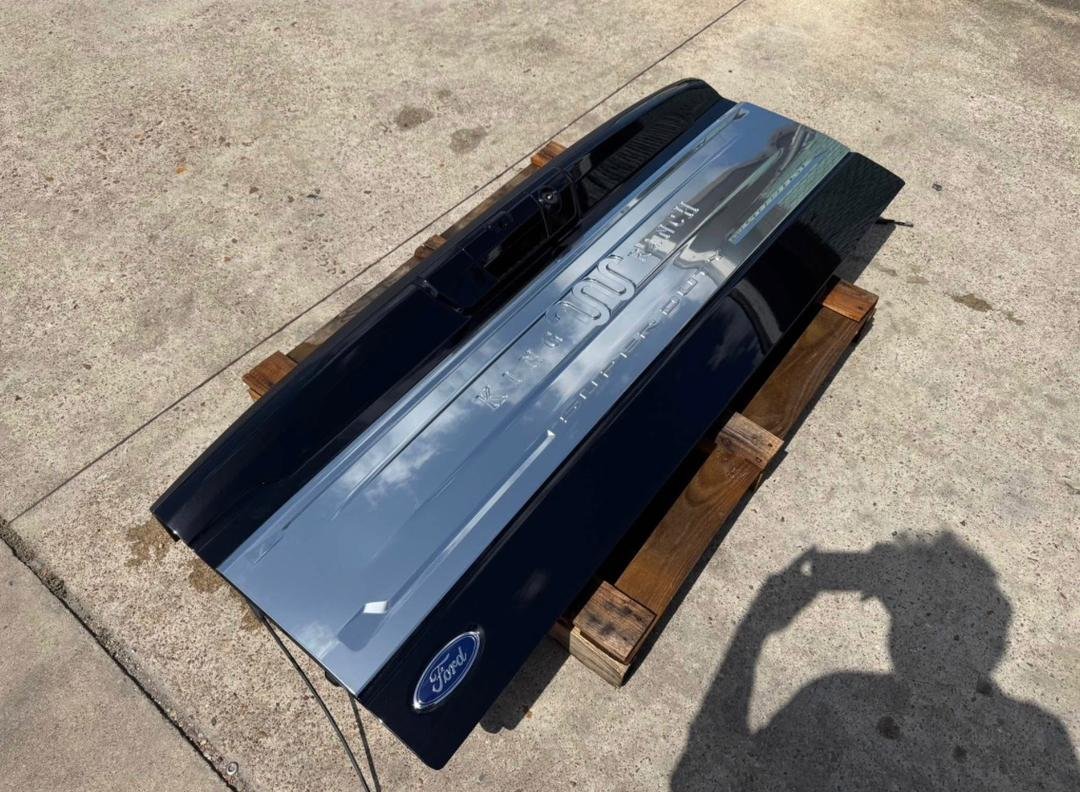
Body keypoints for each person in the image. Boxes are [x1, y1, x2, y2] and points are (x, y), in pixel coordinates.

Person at [671, 532, 1080, 791]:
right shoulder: (1042, 738)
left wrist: (753, 631)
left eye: (916, 614)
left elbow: (700, 777)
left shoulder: (833, 701)